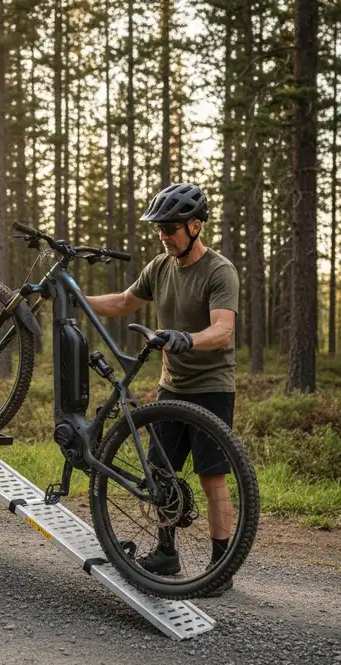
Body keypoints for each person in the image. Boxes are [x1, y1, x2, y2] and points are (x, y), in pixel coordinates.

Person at [85, 182, 240, 595]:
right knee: (160, 472)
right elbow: (122, 302)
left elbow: (223, 330)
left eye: (170, 228)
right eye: (159, 228)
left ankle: (220, 565)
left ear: (194, 226)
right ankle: (166, 552)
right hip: (172, 387)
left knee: (213, 478)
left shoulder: (219, 271)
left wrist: (186, 338)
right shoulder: (159, 266)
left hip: (211, 388)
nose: (163, 235)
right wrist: (77, 298)